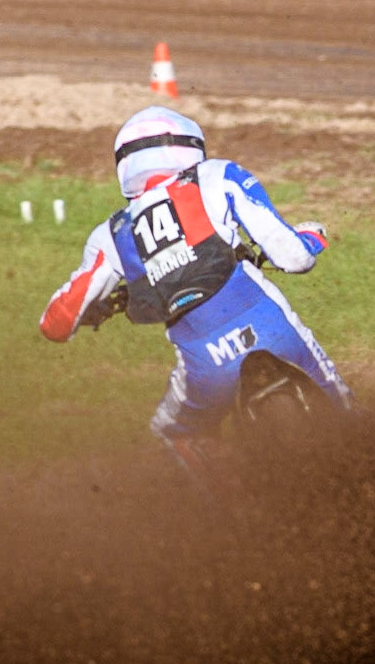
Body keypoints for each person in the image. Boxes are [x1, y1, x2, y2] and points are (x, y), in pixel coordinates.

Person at [40, 105, 353, 472]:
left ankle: (238, 515)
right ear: (188, 145)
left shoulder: (109, 236)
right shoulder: (218, 176)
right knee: (344, 412)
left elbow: (55, 325)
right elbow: (294, 258)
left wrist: (87, 314)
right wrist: (312, 238)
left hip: (205, 367)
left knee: (171, 432)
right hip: (272, 327)